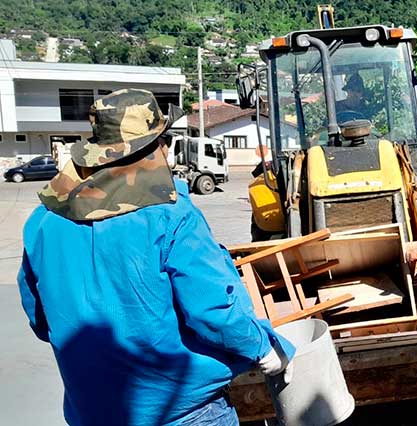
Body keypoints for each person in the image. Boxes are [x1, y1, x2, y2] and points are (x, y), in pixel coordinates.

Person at [17, 89, 295, 426]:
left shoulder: (44, 222)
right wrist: (263, 349)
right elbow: (213, 311)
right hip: (183, 411)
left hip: (93, 412)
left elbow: (40, 318)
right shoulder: (171, 215)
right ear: (154, 148)